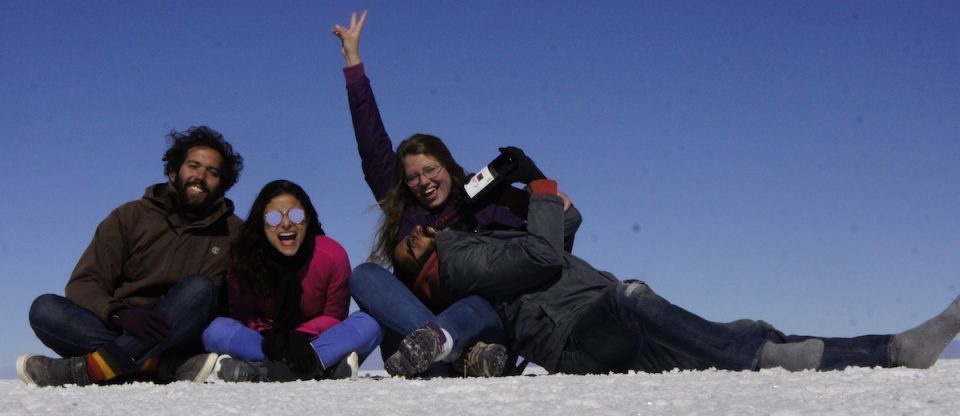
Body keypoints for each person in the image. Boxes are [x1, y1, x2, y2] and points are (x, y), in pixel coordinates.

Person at [389, 165, 960, 374]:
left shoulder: (479, 245)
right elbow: (541, 253)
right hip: (578, 341)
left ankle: (894, 350)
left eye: (418, 231)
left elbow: (556, 234)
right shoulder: (457, 257)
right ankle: (764, 358)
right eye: (409, 245)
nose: (418, 233)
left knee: (747, 331)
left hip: (611, 329)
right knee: (632, 294)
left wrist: (531, 190)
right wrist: (538, 184)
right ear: (421, 275)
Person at [332, 11, 555, 378]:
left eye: (431, 170)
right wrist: (353, 61)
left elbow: (539, 239)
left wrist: (544, 190)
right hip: (415, 337)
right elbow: (371, 140)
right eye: (414, 177)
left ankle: (451, 347)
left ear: (448, 166)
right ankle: (456, 353)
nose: (424, 182)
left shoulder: (481, 201)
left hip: (478, 324)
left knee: (480, 300)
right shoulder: (405, 210)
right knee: (365, 275)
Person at [18, 126, 245, 387]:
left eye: (213, 172)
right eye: (193, 166)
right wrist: (119, 314)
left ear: (223, 184)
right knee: (45, 309)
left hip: (178, 332)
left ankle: (89, 370)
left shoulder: (235, 233)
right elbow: (84, 282)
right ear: (173, 172)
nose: (201, 176)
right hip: (119, 325)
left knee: (200, 289)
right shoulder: (128, 217)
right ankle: (157, 365)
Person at [201, 180, 382, 382]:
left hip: (316, 341)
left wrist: (300, 335)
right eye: (274, 217)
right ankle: (322, 368)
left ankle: (267, 370)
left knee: (370, 324)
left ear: (308, 220)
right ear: (261, 223)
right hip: (267, 343)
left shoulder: (332, 254)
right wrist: (272, 335)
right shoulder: (244, 258)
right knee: (215, 330)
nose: (286, 223)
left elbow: (335, 315)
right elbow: (243, 315)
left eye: (296, 215)